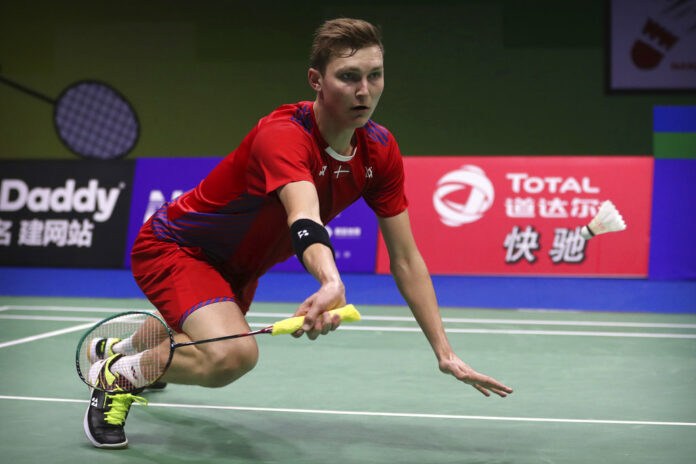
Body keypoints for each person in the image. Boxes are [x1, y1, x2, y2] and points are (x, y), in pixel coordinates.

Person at [83, 17, 513, 449]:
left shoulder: (379, 151)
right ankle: (117, 374)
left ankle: (126, 352)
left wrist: (444, 351)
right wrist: (331, 281)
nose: (364, 91)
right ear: (316, 80)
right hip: (177, 247)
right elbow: (303, 217)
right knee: (232, 356)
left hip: (239, 271)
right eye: (348, 77)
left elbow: (405, 258)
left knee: (207, 338)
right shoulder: (284, 134)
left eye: (375, 75)